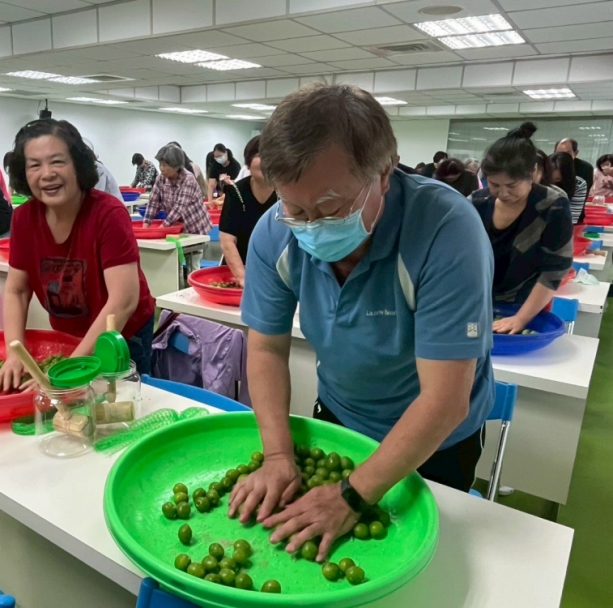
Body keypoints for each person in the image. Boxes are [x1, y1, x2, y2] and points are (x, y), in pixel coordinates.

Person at [229, 84, 494, 562]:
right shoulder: (274, 233)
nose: (311, 225)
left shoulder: (445, 229)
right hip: (339, 421)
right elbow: (266, 348)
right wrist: (277, 456)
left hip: (434, 445)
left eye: (331, 208)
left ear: (384, 174)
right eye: (296, 209)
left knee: (418, 567)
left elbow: (446, 399)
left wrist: (352, 495)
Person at [0, 119, 156, 389]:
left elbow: (123, 301)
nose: (46, 174)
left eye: (57, 161)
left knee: (118, 408)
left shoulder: (108, 214)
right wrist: (14, 353)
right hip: (68, 333)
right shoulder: (24, 218)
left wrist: (69, 368)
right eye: (34, 165)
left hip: (121, 334)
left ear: (78, 166)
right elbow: (17, 291)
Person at [470, 123, 573, 335]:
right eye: (494, 184)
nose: (503, 193)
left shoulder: (552, 206)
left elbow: (555, 269)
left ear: (533, 172)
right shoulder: (475, 203)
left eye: (512, 185)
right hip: (475, 299)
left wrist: (520, 318)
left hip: (528, 302)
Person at [219, 136, 277, 286]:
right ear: (248, 163)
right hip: (238, 271)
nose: (267, 161)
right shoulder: (236, 192)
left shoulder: (287, 193)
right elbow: (227, 241)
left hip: (276, 273)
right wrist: (243, 278)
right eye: (260, 155)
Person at [146, 145, 212, 273]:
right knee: (176, 264)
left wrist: (161, 229)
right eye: (160, 164)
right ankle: (178, 289)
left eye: (165, 165)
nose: (162, 168)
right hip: (177, 228)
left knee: (193, 265)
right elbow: (153, 202)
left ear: (176, 166)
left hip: (195, 228)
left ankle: (193, 289)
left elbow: (179, 208)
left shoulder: (188, 179)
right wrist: (146, 225)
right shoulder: (161, 179)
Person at [550, 151, 587, 224]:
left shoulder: (578, 184)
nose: (553, 182)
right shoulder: (538, 180)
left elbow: (572, 217)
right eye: (548, 177)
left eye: (558, 179)